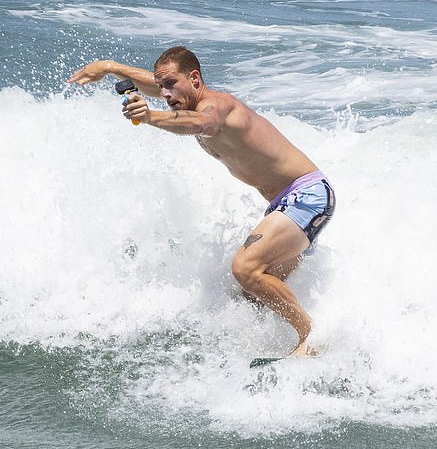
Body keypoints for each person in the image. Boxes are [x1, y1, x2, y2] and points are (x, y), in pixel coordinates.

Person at [68, 46, 335, 357]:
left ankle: (312, 337)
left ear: (194, 78)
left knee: (246, 268)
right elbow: (153, 84)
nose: (164, 93)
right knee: (250, 295)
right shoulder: (180, 94)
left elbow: (201, 124)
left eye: (171, 84)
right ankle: (291, 347)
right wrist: (110, 66)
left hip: (307, 196)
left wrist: (152, 116)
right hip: (284, 203)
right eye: (162, 87)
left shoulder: (215, 107)